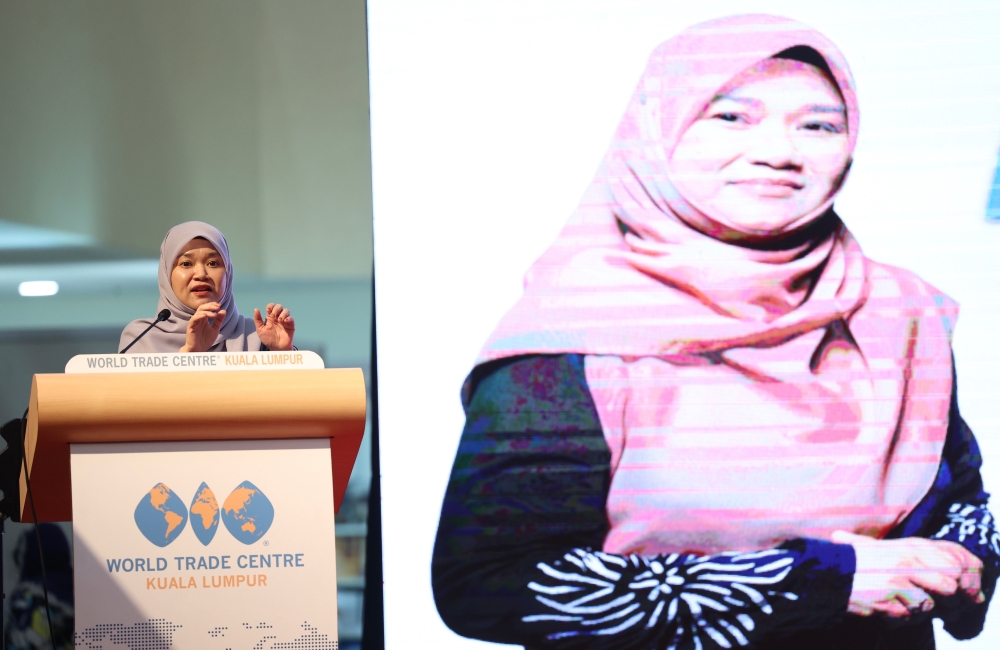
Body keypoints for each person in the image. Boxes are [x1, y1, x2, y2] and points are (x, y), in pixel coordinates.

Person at [431, 14, 1000, 649]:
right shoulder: (574, 334)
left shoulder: (897, 310)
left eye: (819, 125)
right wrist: (821, 583)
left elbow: (959, 495)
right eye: (731, 117)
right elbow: (487, 586)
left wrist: (957, 560)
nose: (780, 153)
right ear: (657, 130)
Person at [119, 221, 295, 354]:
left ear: (228, 272)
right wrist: (189, 354)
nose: (201, 274)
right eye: (186, 263)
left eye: (213, 263)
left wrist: (283, 353)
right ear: (166, 274)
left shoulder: (254, 337)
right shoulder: (141, 339)